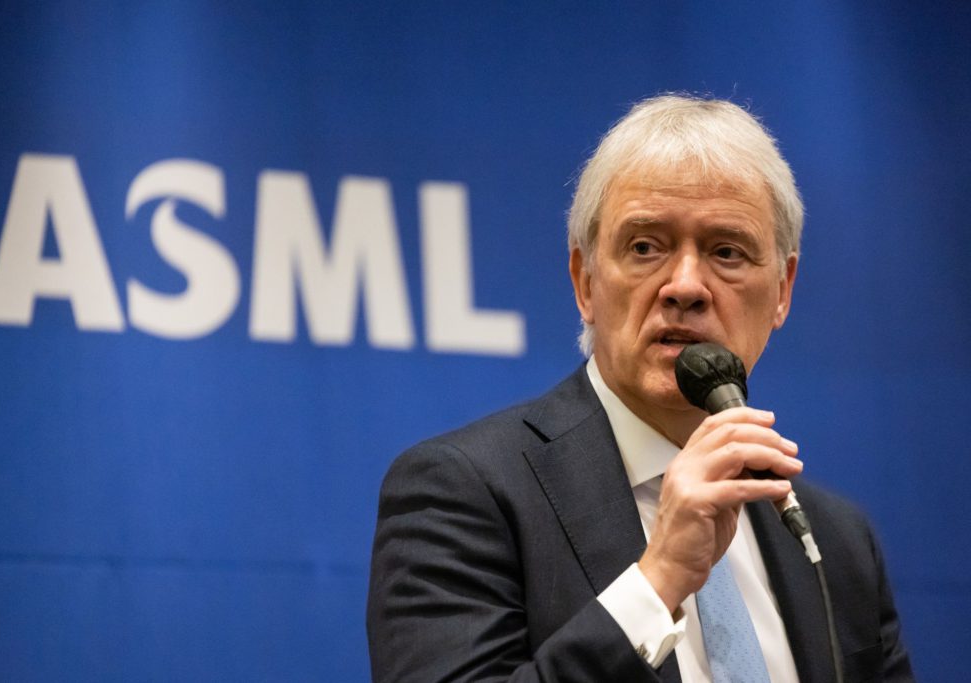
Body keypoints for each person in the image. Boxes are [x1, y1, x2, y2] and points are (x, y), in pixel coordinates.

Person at [367, 94, 914, 682]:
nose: (686, 286)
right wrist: (659, 581)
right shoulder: (462, 493)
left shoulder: (835, 542)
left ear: (783, 289)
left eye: (727, 252)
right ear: (585, 282)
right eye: (645, 247)